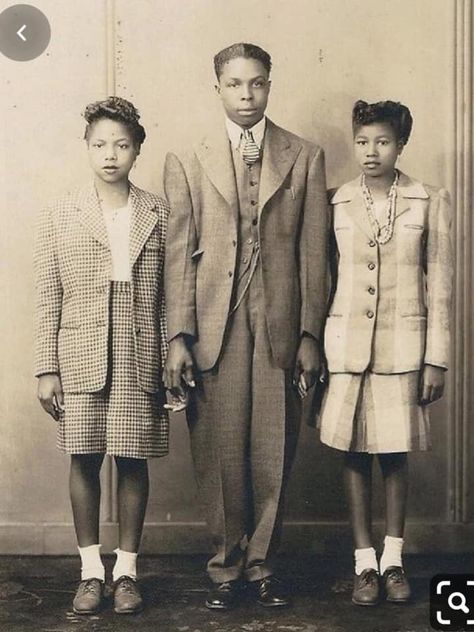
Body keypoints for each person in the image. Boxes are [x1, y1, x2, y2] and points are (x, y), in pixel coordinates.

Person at [163, 42, 328, 610]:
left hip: (279, 317)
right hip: (216, 317)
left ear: (269, 85)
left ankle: (264, 565)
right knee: (219, 446)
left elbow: (314, 253)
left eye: (257, 83)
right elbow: (179, 252)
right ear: (218, 89)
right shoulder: (188, 157)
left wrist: (311, 334)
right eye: (235, 84)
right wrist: (178, 335)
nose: (246, 95)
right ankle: (225, 565)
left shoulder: (304, 154)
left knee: (272, 444)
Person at [34, 97, 169, 615]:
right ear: (86, 148)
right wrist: (48, 366)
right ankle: (92, 571)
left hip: (140, 349)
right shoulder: (62, 211)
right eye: (99, 144)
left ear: (136, 149)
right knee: (85, 457)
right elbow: (50, 293)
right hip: (81, 350)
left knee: (133, 459)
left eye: (121, 144)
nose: (110, 154)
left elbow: (166, 294)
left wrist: (165, 359)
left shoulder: (158, 210)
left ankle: (127, 572)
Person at [319, 100, 453, 606]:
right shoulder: (337, 201)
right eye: (362, 141)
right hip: (348, 348)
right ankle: (364, 564)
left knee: (394, 455)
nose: (370, 152)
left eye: (382, 142)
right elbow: (325, 280)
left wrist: (435, 358)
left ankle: (394, 561)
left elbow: (439, 284)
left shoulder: (427, 200)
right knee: (354, 452)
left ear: (401, 144)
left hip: (404, 348)